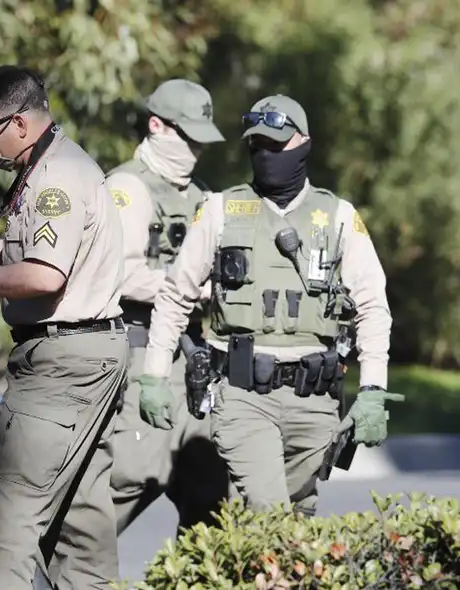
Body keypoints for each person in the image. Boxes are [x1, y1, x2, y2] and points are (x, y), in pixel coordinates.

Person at [135, 94, 403, 516]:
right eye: (258, 147)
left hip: (316, 401)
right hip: (243, 397)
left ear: (304, 143)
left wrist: (373, 390)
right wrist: (153, 376)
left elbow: (373, 306)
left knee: (299, 519)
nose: (267, 156)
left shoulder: (337, 216)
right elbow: (175, 295)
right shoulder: (221, 210)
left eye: (277, 146)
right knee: (268, 513)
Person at [0, 65, 129, 590]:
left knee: (5, 526)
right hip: (89, 354)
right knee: (81, 528)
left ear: (18, 123)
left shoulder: (55, 177)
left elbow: (44, 275)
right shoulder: (50, 164)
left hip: (62, 366)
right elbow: (45, 252)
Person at [48, 78, 231, 589]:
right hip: (137, 349)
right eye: (186, 137)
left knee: (209, 490)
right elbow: (121, 274)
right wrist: (190, 289)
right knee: (131, 476)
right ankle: (63, 575)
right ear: (157, 125)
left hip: (190, 358)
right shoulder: (128, 188)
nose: (194, 151)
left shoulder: (199, 197)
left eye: (200, 141)